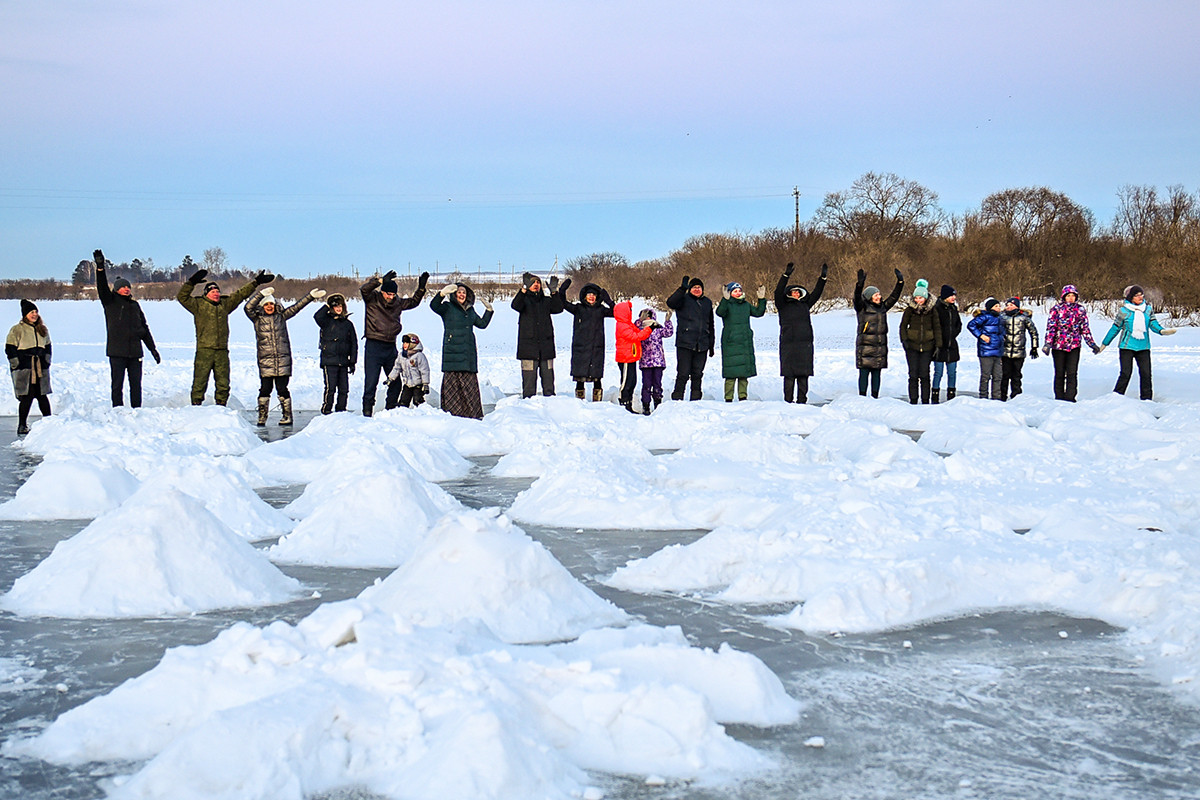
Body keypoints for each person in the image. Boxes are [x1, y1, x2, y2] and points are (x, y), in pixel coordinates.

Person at [177, 268, 270, 406]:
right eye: (213, 291)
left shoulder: (224, 305)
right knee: (200, 381)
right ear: (206, 294)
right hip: (204, 350)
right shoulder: (198, 305)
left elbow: (239, 294)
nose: (216, 294)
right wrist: (191, 283)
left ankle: (221, 406)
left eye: (217, 291)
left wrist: (255, 282)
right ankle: (196, 405)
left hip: (221, 350)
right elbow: (182, 297)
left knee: (223, 382)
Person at [245, 285, 323, 425]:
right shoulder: (257, 319)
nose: (269, 306)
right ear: (262, 306)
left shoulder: (281, 317)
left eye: (272, 304)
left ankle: (287, 416)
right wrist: (261, 294)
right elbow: (248, 308)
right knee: (265, 389)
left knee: (282, 389)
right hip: (266, 361)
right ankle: (262, 416)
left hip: (283, 359)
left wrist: (310, 296)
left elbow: (296, 307)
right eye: (266, 304)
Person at [93, 249, 160, 408]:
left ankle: (137, 410)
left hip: (135, 351)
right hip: (117, 352)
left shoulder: (135, 306)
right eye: (123, 287)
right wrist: (100, 268)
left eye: (128, 287)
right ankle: (118, 411)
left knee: (136, 385)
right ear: (116, 289)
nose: (126, 289)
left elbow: (144, 329)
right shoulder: (110, 302)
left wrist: (153, 349)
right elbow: (102, 287)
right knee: (117, 385)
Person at [360, 269, 429, 416]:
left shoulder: (397, 303)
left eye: (393, 294)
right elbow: (364, 289)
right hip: (373, 346)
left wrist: (421, 287)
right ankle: (366, 414)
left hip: (390, 347)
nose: (390, 297)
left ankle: (390, 411)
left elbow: (413, 302)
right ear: (382, 292)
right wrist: (379, 281)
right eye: (388, 294)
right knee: (371, 383)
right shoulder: (372, 299)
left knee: (396, 382)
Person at [1100, 284, 1177, 400]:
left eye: (1141, 294)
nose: (1140, 297)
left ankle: (1146, 400)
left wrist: (1162, 331)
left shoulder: (1147, 309)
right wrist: (1104, 344)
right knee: (1126, 373)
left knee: (1146, 374)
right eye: (1137, 295)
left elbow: (1153, 323)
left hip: (1143, 347)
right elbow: (1115, 328)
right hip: (1127, 347)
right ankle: (1115, 398)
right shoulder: (1124, 311)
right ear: (1131, 297)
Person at [430, 282, 493, 418]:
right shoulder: (447, 307)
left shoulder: (470, 310)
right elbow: (433, 306)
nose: (462, 294)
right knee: (453, 387)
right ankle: (453, 415)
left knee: (469, 387)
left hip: (467, 353)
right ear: (453, 294)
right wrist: (442, 294)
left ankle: (472, 415)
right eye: (459, 292)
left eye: (464, 292)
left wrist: (489, 311)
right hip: (452, 353)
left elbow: (482, 324)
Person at [775, 261, 827, 403]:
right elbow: (778, 292)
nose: (796, 294)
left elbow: (816, 293)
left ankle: (802, 401)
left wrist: (822, 279)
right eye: (794, 292)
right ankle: (788, 401)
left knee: (803, 376)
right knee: (789, 376)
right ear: (789, 294)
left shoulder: (805, 305)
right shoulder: (783, 305)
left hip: (804, 345)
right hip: (789, 345)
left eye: (798, 292)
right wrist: (785, 276)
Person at [1042, 284, 1100, 402]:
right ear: (1064, 296)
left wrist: (1091, 343)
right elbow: (1051, 327)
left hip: (1074, 346)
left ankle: (1070, 398)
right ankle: (1059, 398)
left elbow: (1085, 328)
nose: (1071, 298)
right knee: (1059, 373)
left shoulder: (1080, 309)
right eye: (1068, 296)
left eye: (1073, 296)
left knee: (1072, 373)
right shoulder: (1056, 309)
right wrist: (1048, 344)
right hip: (1058, 346)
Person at [511, 272, 564, 398]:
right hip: (528, 348)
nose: (536, 285)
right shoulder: (523, 300)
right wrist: (523, 289)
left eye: (538, 282)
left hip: (546, 348)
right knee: (529, 387)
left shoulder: (546, 301)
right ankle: (528, 410)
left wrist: (554, 293)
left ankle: (550, 408)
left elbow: (558, 308)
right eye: (533, 283)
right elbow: (515, 305)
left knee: (549, 385)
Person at [853, 268, 904, 398]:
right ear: (870, 297)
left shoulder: (882, 307)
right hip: (865, 347)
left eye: (879, 294)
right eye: (876, 295)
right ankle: (862, 397)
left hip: (879, 347)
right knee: (864, 374)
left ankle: (875, 396)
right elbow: (857, 298)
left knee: (877, 373)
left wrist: (900, 282)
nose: (879, 297)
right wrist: (859, 285)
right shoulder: (862, 308)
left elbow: (893, 297)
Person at [561, 280, 613, 401]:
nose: (591, 297)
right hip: (581, 347)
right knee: (580, 376)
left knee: (597, 376)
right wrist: (562, 291)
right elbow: (563, 304)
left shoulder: (601, 310)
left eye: (593, 295)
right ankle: (580, 401)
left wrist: (609, 301)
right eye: (589, 294)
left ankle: (597, 401)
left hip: (596, 347)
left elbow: (617, 313)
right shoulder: (578, 308)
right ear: (584, 296)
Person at [715, 281, 767, 402]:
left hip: (744, 341)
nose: (738, 293)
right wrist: (725, 300)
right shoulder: (727, 304)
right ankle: (728, 397)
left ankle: (743, 397)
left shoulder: (746, 305)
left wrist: (762, 299)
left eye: (739, 290)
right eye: (735, 291)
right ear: (730, 293)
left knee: (744, 373)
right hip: (731, 342)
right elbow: (720, 312)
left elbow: (759, 313)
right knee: (731, 373)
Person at [666, 276, 715, 401]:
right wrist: (682, 289)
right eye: (694, 287)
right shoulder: (683, 299)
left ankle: (696, 400)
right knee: (683, 374)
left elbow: (711, 324)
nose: (697, 289)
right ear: (690, 289)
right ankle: (677, 400)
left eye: (699, 287)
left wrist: (711, 344)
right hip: (685, 343)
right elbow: (670, 303)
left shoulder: (707, 302)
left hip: (702, 344)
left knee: (697, 374)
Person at [6, 300, 52, 435]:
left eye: (36, 312)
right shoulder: (17, 329)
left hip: (40, 367)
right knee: (27, 395)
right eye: (31, 312)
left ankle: (49, 423)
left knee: (42, 395)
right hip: (25, 367)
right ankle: (22, 425)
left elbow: (48, 346)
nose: (34, 314)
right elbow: (10, 348)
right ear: (25, 314)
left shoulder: (43, 329)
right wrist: (16, 363)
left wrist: (46, 360)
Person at [899, 279, 942, 404]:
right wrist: (904, 340)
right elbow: (903, 326)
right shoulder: (909, 310)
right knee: (913, 374)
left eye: (921, 298)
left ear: (926, 298)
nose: (918, 300)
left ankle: (925, 400)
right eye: (916, 298)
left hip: (928, 346)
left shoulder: (932, 311)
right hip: (912, 346)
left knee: (924, 374)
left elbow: (937, 328)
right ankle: (913, 399)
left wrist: (938, 345)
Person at [314, 293, 357, 414]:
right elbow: (317, 316)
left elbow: (354, 343)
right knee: (330, 388)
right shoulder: (326, 321)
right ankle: (326, 410)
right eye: (336, 306)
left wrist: (352, 361)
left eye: (340, 306)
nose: (338, 308)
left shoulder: (348, 324)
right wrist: (327, 305)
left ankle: (341, 411)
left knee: (344, 389)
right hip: (329, 361)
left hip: (343, 361)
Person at [614, 299, 654, 412]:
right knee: (626, 382)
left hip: (631, 357)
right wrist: (650, 329)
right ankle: (624, 402)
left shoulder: (628, 324)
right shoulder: (622, 325)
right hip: (625, 358)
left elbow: (637, 330)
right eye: (629, 310)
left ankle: (629, 403)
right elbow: (636, 336)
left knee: (632, 381)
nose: (630, 312)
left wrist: (646, 324)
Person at [999, 297, 1039, 401]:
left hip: (1019, 351)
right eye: (1007, 305)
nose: (1009, 307)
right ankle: (1002, 395)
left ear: (1017, 306)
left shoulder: (1024, 318)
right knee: (1004, 374)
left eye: (1011, 305)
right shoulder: (1002, 317)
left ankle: (1016, 396)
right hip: (1005, 351)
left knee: (1016, 375)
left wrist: (1034, 347)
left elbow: (1033, 332)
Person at [635, 307, 673, 414]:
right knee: (646, 385)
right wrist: (639, 321)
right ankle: (645, 406)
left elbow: (668, 333)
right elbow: (633, 329)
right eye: (644, 316)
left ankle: (658, 404)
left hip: (658, 362)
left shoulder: (657, 328)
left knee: (657, 384)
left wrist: (668, 321)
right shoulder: (640, 328)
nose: (647, 318)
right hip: (646, 363)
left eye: (649, 315)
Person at [967, 297, 1005, 400]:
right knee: (986, 375)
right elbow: (971, 325)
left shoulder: (1000, 318)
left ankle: (996, 397)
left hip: (998, 351)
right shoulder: (985, 317)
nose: (999, 308)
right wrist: (981, 335)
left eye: (999, 306)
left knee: (998, 376)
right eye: (996, 306)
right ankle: (983, 396)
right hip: (986, 350)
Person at [931, 284, 962, 403]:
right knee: (938, 372)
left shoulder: (954, 309)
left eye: (954, 295)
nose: (954, 298)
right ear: (945, 296)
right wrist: (940, 339)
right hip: (940, 346)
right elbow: (935, 326)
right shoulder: (937, 308)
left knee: (952, 372)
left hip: (952, 345)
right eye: (951, 295)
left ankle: (951, 393)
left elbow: (958, 324)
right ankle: (935, 394)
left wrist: (953, 334)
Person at [385, 333, 431, 409]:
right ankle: (403, 414)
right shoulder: (401, 356)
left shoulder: (419, 356)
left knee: (418, 400)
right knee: (403, 401)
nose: (404, 345)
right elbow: (397, 368)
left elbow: (424, 370)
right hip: (407, 384)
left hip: (418, 384)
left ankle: (423, 414)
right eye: (403, 343)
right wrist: (390, 378)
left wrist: (425, 384)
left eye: (407, 343)